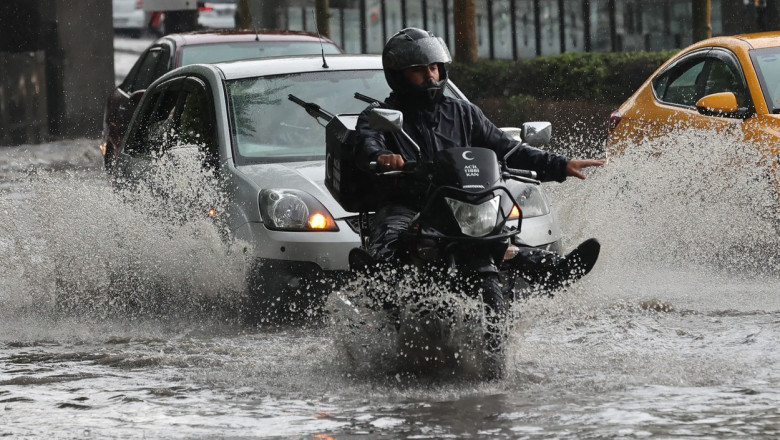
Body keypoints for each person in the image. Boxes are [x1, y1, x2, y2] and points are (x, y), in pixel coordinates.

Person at [354, 27, 604, 294]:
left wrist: (560, 164)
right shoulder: (380, 115)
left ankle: (554, 270)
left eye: (434, 68)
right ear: (398, 75)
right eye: (419, 70)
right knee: (390, 245)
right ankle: (378, 288)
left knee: (503, 238)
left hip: (460, 202)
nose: (430, 76)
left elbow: (506, 148)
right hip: (406, 202)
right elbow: (368, 143)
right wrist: (382, 157)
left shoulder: (464, 113)